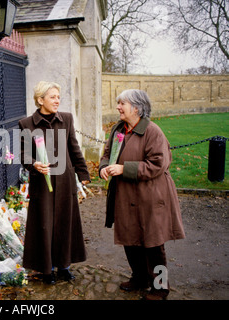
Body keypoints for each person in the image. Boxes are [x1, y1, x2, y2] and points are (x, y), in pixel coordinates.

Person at [99, 89, 185, 300]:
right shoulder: (119, 128)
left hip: (151, 198)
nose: (118, 107)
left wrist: (123, 169)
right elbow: (108, 153)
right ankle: (139, 278)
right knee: (130, 240)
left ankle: (160, 288)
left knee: (154, 246)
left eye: (122, 104)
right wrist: (104, 166)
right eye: (119, 103)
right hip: (125, 197)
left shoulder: (153, 132)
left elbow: (158, 164)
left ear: (136, 108)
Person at [19, 81, 91, 284]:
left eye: (58, 97)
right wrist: (34, 164)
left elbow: (74, 147)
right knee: (44, 225)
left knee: (65, 224)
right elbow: (23, 153)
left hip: (65, 181)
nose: (57, 100)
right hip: (42, 184)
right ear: (40, 100)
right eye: (52, 97)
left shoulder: (66, 119)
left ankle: (64, 267)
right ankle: (47, 269)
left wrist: (82, 173)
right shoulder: (26, 124)